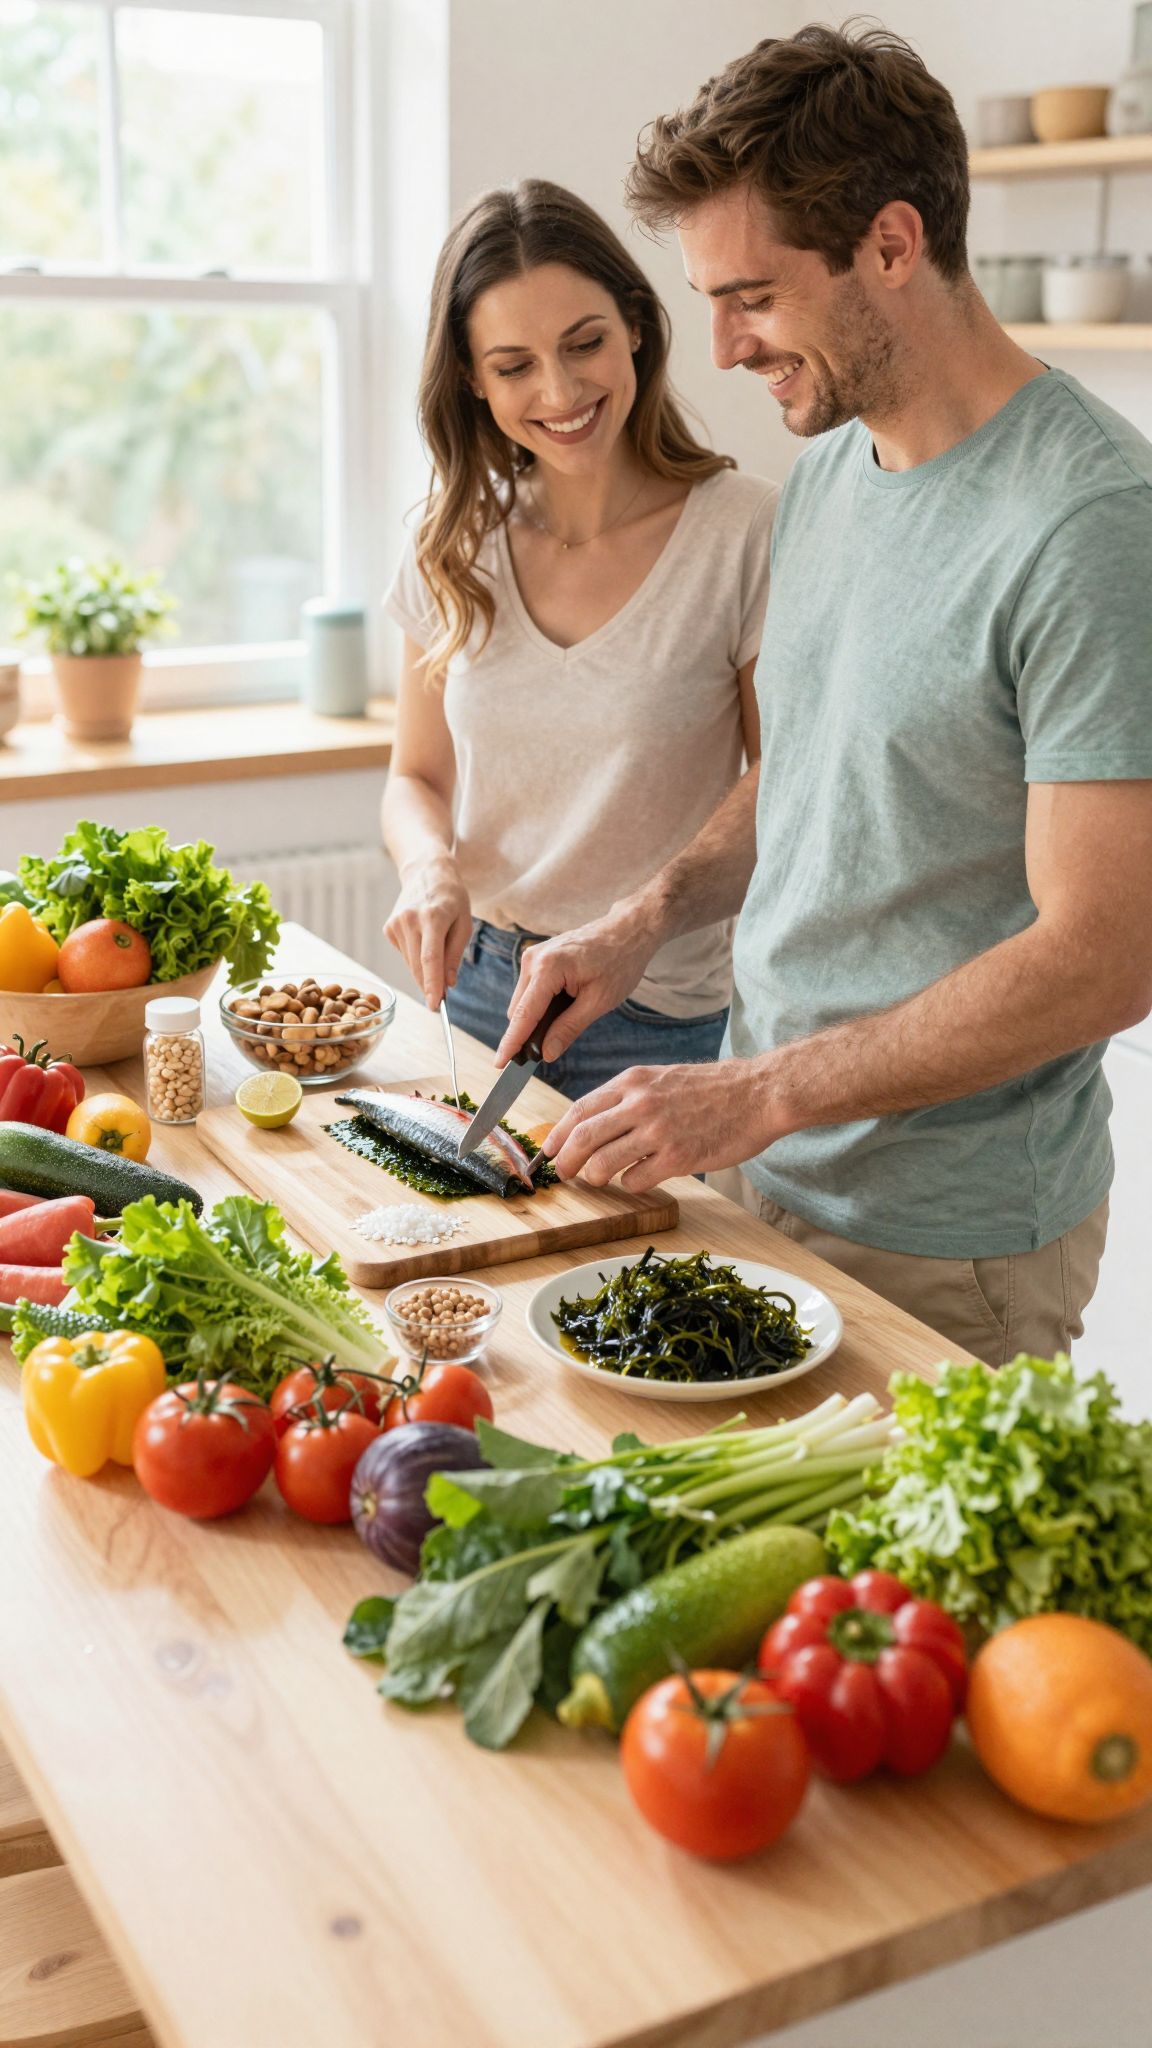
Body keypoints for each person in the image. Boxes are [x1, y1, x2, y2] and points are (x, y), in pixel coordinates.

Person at [501, 25, 1152, 1368]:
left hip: (946, 1232)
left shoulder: (1090, 527)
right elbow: (817, 766)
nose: (726, 348)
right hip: (769, 1169)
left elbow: (1109, 954)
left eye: (754, 296)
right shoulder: (839, 471)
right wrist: (650, 916)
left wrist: (762, 1091)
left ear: (894, 245)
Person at [381, 179, 778, 1100]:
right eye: (514, 365)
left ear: (636, 324)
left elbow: (785, 781)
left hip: (658, 1013)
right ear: (473, 380)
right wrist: (429, 868)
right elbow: (416, 777)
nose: (559, 392)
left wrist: (641, 923)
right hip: (478, 987)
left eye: (585, 343)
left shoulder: (745, 532)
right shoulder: (453, 539)